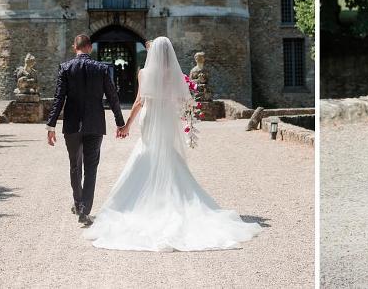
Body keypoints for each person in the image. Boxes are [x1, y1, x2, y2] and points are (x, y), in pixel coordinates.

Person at [82, 36, 262, 251]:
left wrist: (127, 125)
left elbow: (140, 102)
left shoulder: (144, 73)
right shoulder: (176, 75)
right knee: (166, 152)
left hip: (150, 116)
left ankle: (143, 200)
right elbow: (184, 102)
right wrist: (187, 118)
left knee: (147, 151)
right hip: (166, 117)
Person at [46, 34, 126, 227]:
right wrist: (120, 122)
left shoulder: (65, 68)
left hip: (72, 124)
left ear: (75, 47)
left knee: (75, 166)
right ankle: (84, 210)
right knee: (91, 168)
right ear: (90, 47)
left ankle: (78, 202)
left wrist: (51, 125)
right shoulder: (101, 69)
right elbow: (113, 97)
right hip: (95, 124)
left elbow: (59, 98)